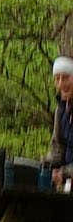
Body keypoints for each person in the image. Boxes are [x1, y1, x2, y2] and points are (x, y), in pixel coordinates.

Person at [48, 56, 73, 187]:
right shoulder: (61, 109)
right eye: (57, 78)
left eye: (66, 78)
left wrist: (65, 173)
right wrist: (50, 167)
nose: (61, 83)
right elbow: (57, 145)